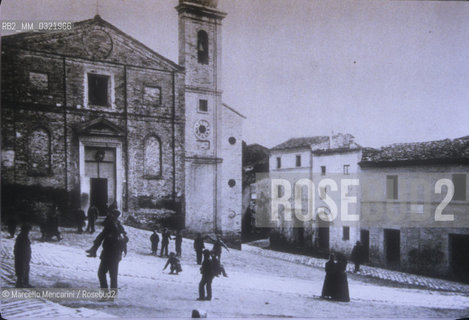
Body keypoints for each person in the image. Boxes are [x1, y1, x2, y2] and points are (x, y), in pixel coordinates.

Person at [86, 209, 128, 290]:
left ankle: (106, 295)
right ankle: (111, 295)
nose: (109, 216)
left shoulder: (111, 226)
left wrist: (94, 249)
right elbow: (124, 239)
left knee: (102, 273)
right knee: (112, 275)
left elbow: (101, 237)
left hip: (110, 253)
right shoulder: (118, 226)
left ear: (113, 216)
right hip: (115, 254)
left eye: (111, 214)